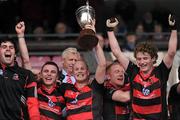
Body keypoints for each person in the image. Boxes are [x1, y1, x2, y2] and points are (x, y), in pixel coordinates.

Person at [106, 14, 177, 120]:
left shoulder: (161, 71)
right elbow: (117, 52)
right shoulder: (133, 70)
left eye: (145, 58)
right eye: (139, 59)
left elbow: (171, 52)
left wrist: (174, 29)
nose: (142, 62)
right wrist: (110, 30)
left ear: (153, 58)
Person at [0, 37, 40, 119]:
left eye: (11, 47)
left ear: (15, 54)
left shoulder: (26, 75)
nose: (8, 49)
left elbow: (32, 103)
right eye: (4, 47)